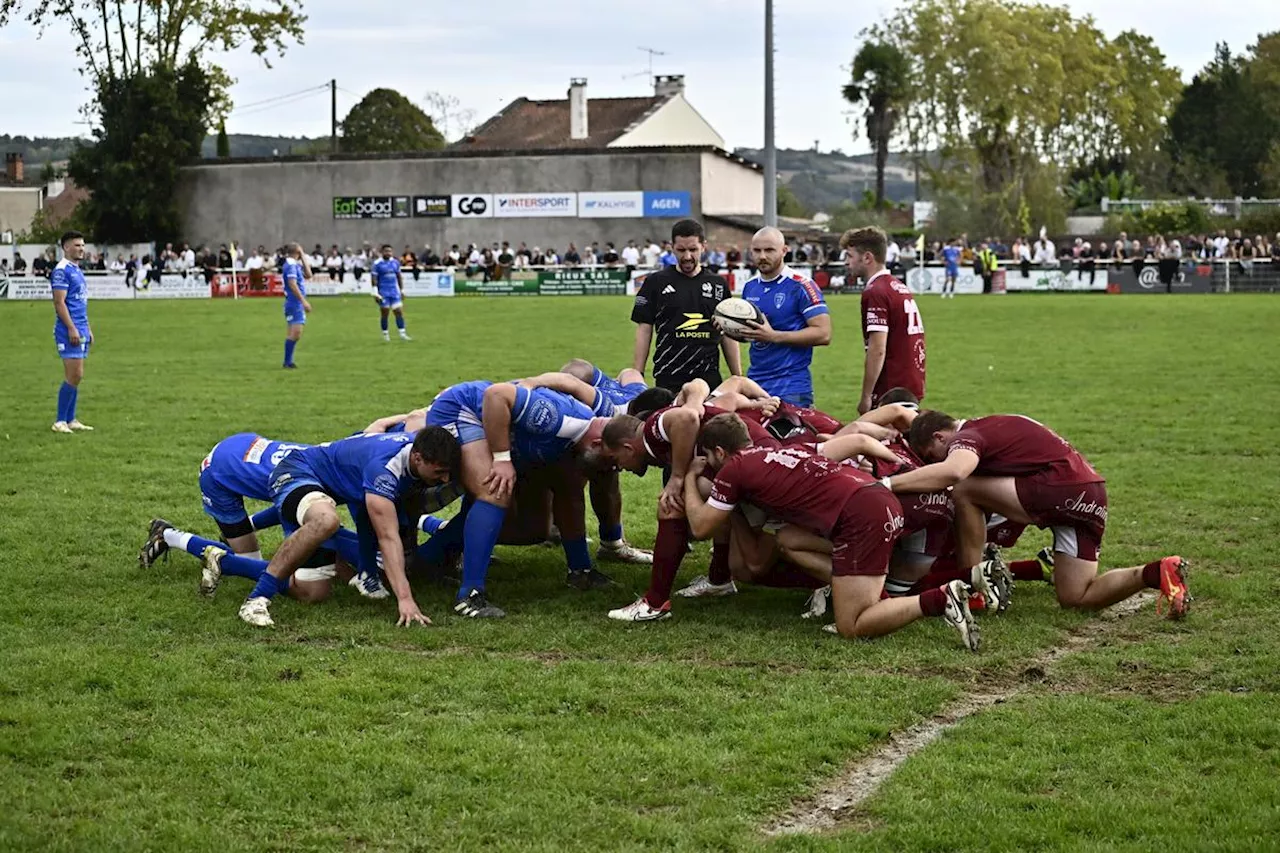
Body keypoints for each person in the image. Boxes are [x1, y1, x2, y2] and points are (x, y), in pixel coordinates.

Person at [681, 414, 980, 649]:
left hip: (861, 517)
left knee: (852, 626)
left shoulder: (733, 468)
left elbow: (700, 526)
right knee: (789, 540)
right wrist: (897, 463)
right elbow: (857, 440)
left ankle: (940, 599)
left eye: (708, 458)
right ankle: (866, 591)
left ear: (719, 451)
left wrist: (688, 478)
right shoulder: (782, 450)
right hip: (875, 500)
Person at [885, 411, 1191, 618]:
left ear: (940, 437)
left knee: (962, 488)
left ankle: (973, 585)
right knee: (1076, 598)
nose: (930, 466)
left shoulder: (969, 435)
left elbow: (954, 471)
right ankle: (1158, 571)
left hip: (1060, 489)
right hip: (1091, 494)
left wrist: (886, 484)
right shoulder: (994, 425)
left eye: (929, 458)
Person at [424, 380, 611, 617]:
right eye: (613, 462)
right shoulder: (557, 418)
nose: (617, 469)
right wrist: (502, 459)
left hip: (506, 431)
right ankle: (469, 594)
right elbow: (496, 395)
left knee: (538, 525)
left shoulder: (589, 431)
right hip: (464, 410)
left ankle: (580, 570)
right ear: (598, 443)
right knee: (494, 491)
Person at [239, 428, 459, 628]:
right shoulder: (383, 470)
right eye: (440, 472)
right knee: (326, 520)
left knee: (314, 593)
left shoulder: (417, 447)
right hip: (297, 472)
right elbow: (387, 537)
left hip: (328, 488)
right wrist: (405, 600)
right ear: (418, 458)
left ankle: (222, 559)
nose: (445, 478)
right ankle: (257, 599)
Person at [632, 218, 741, 395]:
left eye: (693, 249)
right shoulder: (655, 282)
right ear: (672, 247)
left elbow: (727, 333)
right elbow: (644, 329)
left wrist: (738, 377)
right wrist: (638, 375)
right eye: (681, 250)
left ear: (703, 246)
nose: (687, 256)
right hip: (669, 377)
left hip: (708, 379)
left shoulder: (718, 284)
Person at [733, 227, 832, 407]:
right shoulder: (750, 287)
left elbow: (824, 334)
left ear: (784, 250)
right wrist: (729, 328)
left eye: (769, 250)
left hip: (792, 387)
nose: (762, 256)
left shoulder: (801, 285)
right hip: (755, 385)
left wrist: (774, 336)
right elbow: (753, 334)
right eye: (757, 250)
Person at [843, 226, 926, 414]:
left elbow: (877, 349)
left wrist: (866, 396)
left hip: (891, 388)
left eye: (849, 255)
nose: (846, 262)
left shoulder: (876, 291)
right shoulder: (897, 285)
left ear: (867, 258)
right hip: (910, 383)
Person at [50, 231, 93, 434]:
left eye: (83, 245)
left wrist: (87, 328)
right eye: (77, 245)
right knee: (74, 374)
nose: (81, 249)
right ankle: (60, 421)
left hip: (80, 328)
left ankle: (70, 419)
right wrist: (71, 328)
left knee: (77, 376)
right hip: (69, 330)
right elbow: (59, 303)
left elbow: (79, 302)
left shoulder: (76, 269)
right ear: (66, 247)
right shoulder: (61, 271)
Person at [370, 244, 411, 342]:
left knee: (399, 312)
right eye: (386, 251)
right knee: (385, 313)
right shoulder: (377, 264)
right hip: (383, 292)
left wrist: (402, 290)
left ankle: (402, 334)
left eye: (390, 251)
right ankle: (385, 334)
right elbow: (374, 279)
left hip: (394, 292)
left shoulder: (395, 262)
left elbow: (399, 276)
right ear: (382, 252)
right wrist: (375, 292)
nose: (388, 253)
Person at [281, 244, 312, 369]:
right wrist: (303, 301)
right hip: (295, 303)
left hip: (292, 302)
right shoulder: (291, 265)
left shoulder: (294, 264)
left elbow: (309, 275)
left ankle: (288, 362)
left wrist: (302, 255)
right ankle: (287, 361)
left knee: (292, 333)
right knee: (296, 333)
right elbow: (292, 284)